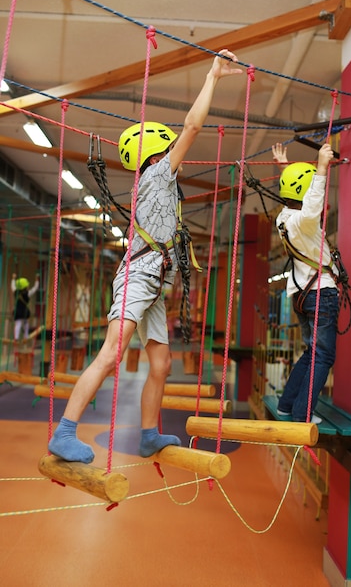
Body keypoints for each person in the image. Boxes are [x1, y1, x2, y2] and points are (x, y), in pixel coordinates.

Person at [49, 49, 243, 464]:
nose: (177, 150)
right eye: (169, 148)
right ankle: (64, 431)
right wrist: (212, 76)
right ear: (157, 154)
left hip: (154, 283)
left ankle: (150, 434)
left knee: (162, 363)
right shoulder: (157, 175)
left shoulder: (156, 184)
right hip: (139, 277)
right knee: (112, 352)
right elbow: (193, 125)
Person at [273, 142, 337, 424]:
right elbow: (310, 206)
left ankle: (287, 405)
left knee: (311, 352)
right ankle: (302, 414)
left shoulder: (284, 218)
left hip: (301, 292)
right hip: (320, 292)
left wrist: (287, 170)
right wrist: (321, 167)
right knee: (322, 356)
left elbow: (300, 198)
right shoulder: (304, 221)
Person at [11, 273, 40, 341]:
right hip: (24, 311)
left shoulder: (16, 292)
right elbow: (35, 288)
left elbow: (12, 286)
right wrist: (37, 280)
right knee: (26, 324)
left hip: (17, 311)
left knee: (18, 324)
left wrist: (13, 279)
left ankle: (16, 338)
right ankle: (25, 337)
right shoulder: (28, 294)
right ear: (25, 287)